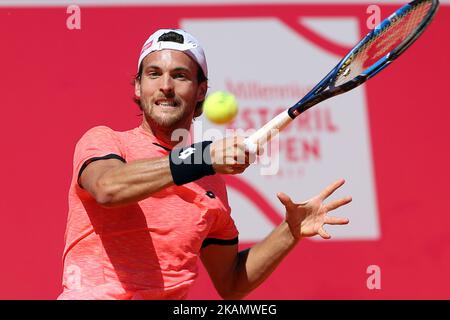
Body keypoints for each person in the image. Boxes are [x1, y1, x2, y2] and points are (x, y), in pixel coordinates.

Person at [58, 28, 352, 300]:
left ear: (201, 91)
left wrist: (290, 230)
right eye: (153, 74)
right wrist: (203, 157)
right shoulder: (105, 141)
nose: (166, 86)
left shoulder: (211, 186)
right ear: (137, 87)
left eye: (180, 76)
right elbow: (108, 188)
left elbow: (232, 282)